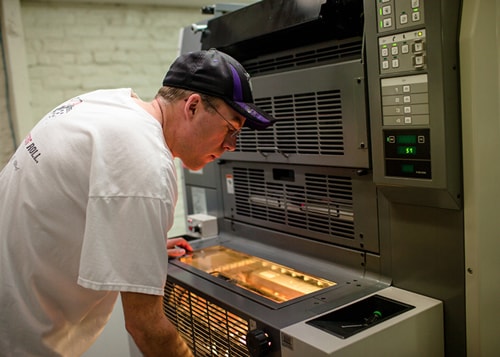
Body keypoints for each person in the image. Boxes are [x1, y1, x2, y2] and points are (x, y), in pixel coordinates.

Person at [0, 49, 275, 356]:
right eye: (231, 128)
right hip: (18, 337)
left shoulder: (109, 103)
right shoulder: (146, 164)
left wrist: (140, 245)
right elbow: (146, 327)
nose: (231, 146)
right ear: (193, 106)